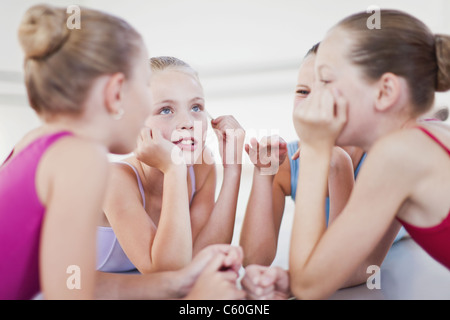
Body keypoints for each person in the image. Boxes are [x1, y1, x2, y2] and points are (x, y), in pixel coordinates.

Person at [0, 4, 244, 300]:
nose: (187, 122)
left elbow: (69, 279)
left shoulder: (43, 143)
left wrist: (178, 283)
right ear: (117, 93)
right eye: (145, 86)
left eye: (196, 107)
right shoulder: (81, 158)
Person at [244, 9, 450, 300]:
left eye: (327, 82)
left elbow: (309, 287)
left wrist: (316, 148)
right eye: (306, 89)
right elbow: (353, 267)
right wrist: (292, 279)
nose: (316, 99)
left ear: (384, 91)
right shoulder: (415, 142)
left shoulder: (398, 154)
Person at [240, 43, 406, 281]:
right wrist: (263, 173)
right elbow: (254, 260)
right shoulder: (288, 162)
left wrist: (336, 164)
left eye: (329, 92)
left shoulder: (389, 163)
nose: (312, 103)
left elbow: (351, 269)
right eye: (302, 92)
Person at [98, 56, 246, 274]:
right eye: (166, 110)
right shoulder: (114, 179)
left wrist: (233, 168)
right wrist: (174, 168)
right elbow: (164, 272)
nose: (188, 122)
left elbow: (201, 256)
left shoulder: (202, 167)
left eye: (196, 107)